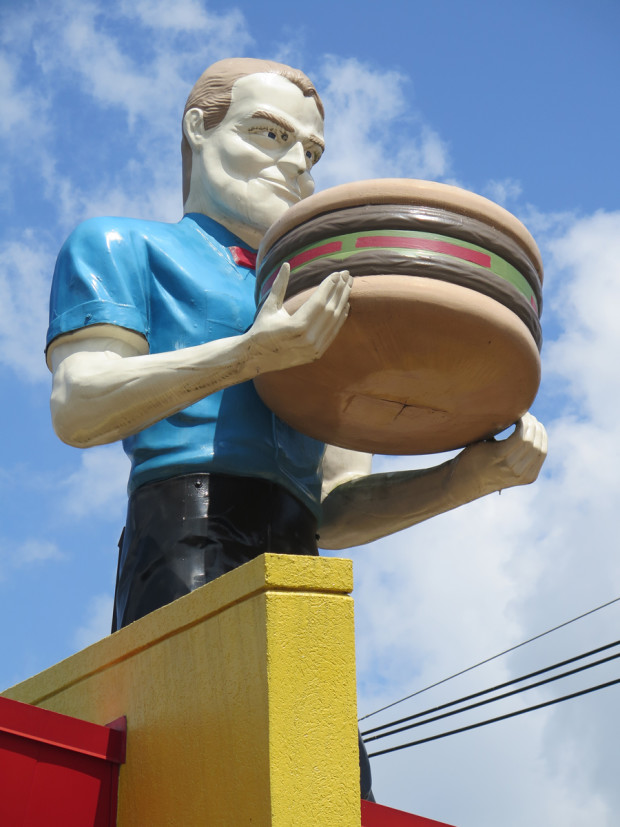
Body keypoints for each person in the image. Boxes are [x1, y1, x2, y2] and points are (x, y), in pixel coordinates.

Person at [46, 58, 547, 801]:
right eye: (268, 133)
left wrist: (470, 476)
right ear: (198, 128)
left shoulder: (322, 290)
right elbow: (79, 403)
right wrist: (249, 353)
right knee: (203, 772)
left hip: (299, 551)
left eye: (309, 152)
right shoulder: (123, 246)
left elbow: (336, 506)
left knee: (330, 785)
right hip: (183, 527)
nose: (293, 164)